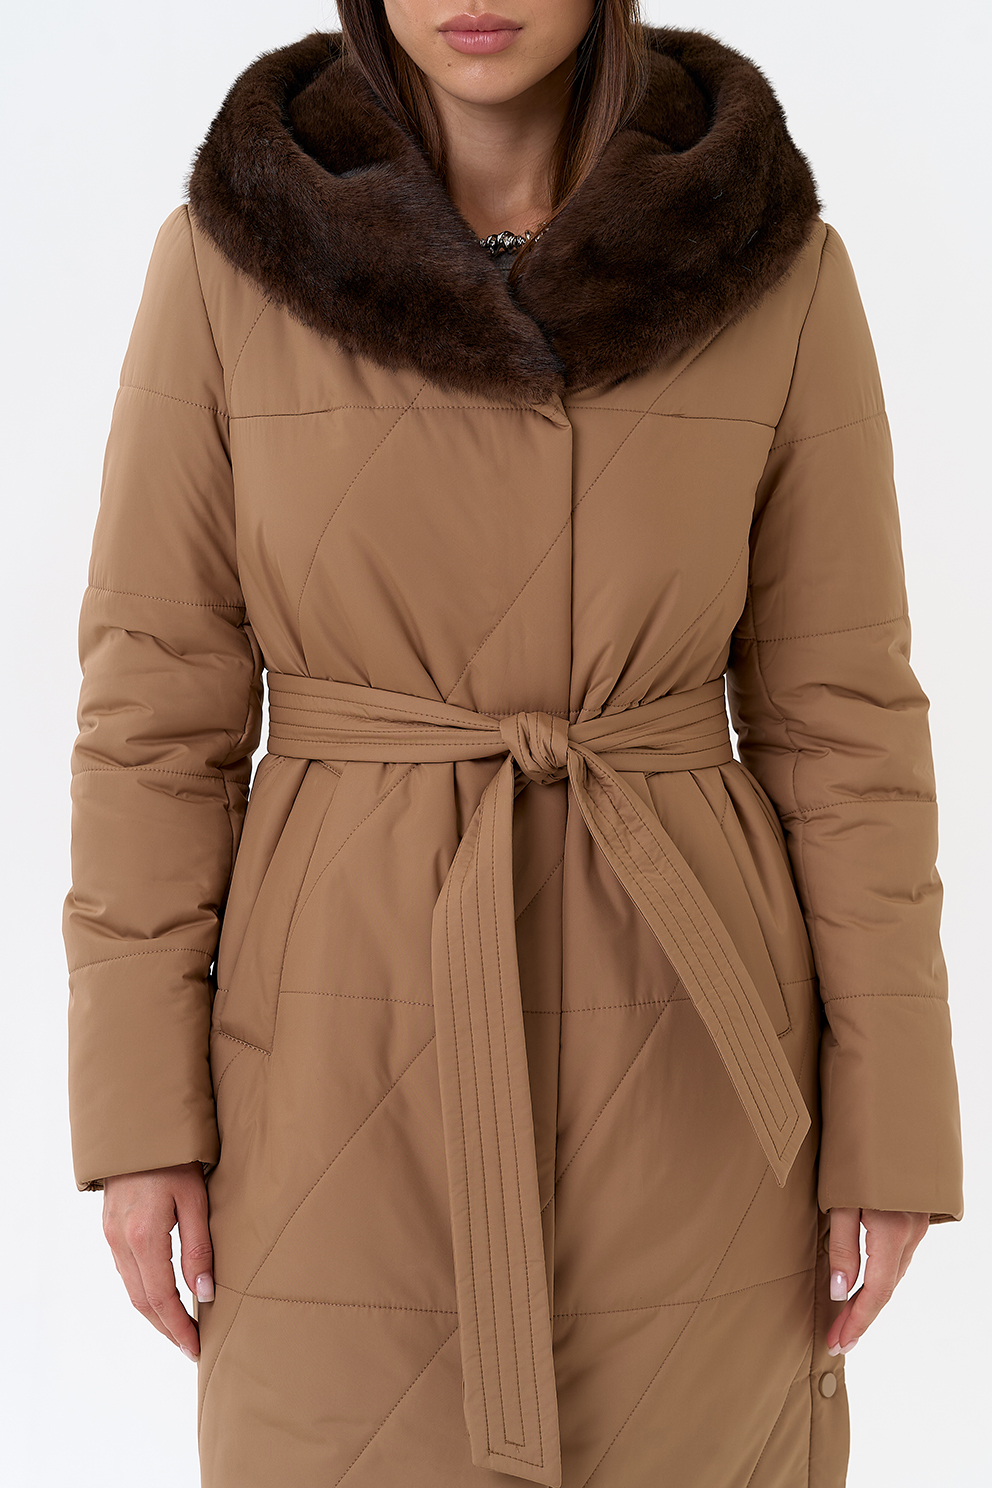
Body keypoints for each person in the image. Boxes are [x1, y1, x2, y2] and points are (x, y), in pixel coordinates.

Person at [62, 3, 964, 1485]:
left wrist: (894, 1117)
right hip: (334, 1064)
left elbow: (844, 722)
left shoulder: (777, 268)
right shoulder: (229, 264)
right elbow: (155, 721)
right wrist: (139, 1116)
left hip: (690, 1060)